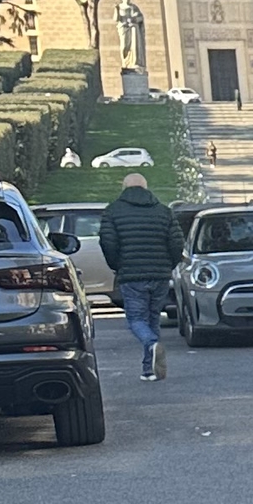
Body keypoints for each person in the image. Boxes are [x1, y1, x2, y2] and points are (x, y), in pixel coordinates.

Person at [95, 165, 182, 384]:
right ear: (146, 187)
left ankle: (151, 345)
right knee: (153, 318)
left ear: (124, 187)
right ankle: (149, 369)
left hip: (131, 274)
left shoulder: (113, 211)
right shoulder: (164, 211)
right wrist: (168, 265)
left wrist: (117, 265)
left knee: (136, 319)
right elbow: (176, 243)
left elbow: (107, 242)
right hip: (160, 274)